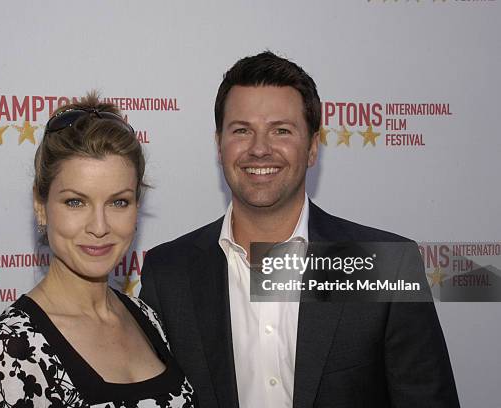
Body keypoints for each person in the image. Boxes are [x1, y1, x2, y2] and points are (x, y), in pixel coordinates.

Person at [139, 52, 460, 408]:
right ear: (219, 146)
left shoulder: (384, 265)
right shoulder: (169, 273)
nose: (259, 149)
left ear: (312, 148)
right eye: (242, 130)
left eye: (281, 130)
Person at [0, 94, 196, 408]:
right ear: (41, 206)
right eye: (76, 202)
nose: (99, 226)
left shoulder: (146, 317)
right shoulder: (11, 349)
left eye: (119, 202)